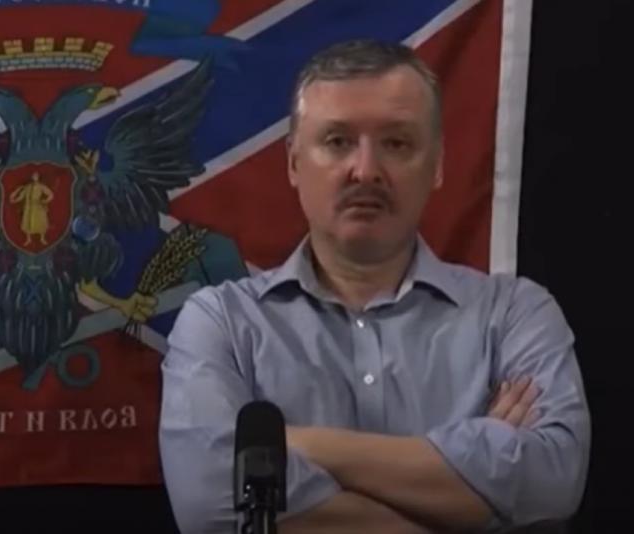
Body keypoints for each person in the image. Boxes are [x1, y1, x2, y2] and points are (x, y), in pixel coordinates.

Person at [159, 39, 591, 534]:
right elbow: (209, 503)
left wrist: (298, 445)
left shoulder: (515, 314)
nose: (365, 171)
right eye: (337, 141)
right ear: (293, 163)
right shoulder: (220, 322)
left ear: (438, 165)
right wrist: (475, 478)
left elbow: (552, 480)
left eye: (397, 143)